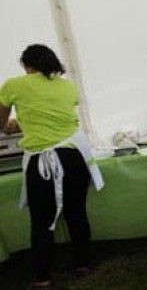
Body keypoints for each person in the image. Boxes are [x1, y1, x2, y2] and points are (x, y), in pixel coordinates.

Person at [0, 44, 104, 288]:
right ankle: (82, 264)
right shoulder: (68, 87)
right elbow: (56, 116)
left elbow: (3, 123)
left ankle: (43, 277)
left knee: (42, 221)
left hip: (42, 161)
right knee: (76, 213)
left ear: (27, 66)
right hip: (74, 156)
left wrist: (10, 126)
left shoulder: (13, 85)